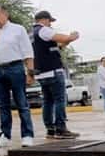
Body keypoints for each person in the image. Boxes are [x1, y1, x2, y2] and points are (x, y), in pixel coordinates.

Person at [0, 5, 35, 148]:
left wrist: (30, 72)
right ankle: (5, 134)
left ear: (5, 14)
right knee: (2, 105)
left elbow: (28, 52)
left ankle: (27, 135)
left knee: (22, 103)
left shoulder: (18, 29)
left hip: (15, 68)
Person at [32, 10, 80, 139]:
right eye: (50, 21)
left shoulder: (32, 33)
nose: (50, 24)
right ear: (44, 20)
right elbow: (64, 38)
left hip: (41, 73)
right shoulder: (43, 30)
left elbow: (56, 46)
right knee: (60, 100)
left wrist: (67, 42)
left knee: (48, 101)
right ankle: (61, 128)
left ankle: (50, 129)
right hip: (53, 71)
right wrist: (72, 36)